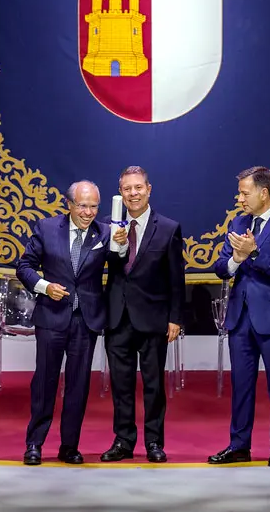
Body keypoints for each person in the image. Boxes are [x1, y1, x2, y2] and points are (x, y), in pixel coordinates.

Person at [207, 166, 270, 467]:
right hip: (240, 318)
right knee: (242, 385)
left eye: (245, 193)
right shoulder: (238, 222)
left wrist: (255, 253)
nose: (240, 199)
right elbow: (220, 267)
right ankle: (239, 446)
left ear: (264, 193)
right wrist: (236, 258)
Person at [16, 180, 111, 465]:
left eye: (94, 206)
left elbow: (121, 263)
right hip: (52, 318)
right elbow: (25, 266)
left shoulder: (105, 233)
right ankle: (34, 444)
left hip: (86, 322)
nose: (88, 212)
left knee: (78, 386)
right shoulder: (46, 228)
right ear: (68, 204)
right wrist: (45, 286)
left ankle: (69, 446)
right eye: (83, 205)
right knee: (44, 383)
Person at [100, 166, 185, 463]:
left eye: (138, 187)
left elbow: (176, 278)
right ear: (120, 192)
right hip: (117, 318)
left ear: (149, 189)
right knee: (121, 385)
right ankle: (123, 440)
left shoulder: (169, 228)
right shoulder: (107, 227)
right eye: (127, 189)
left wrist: (175, 317)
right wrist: (117, 247)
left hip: (153, 318)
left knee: (153, 385)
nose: (133, 193)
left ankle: (153, 442)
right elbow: (102, 266)